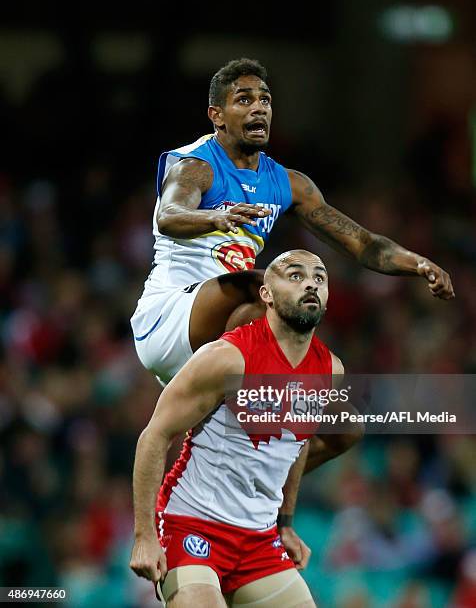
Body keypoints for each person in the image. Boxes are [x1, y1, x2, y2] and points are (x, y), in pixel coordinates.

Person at [130, 57, 454, 390]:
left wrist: (418, 264)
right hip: (169, 318)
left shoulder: (289, 184)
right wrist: (216, 217)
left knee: (341, 422)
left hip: (224, 328)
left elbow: (364, 244)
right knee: (272, 287)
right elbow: (167, 216)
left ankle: (255, 420)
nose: (259, 108)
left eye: (265, 100)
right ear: (217, 116)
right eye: (244, 99)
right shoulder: (196, 167)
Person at [130, 250, 358, 607]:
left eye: (319, 277)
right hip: (191, 525)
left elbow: (292, 445)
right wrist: (144, 535)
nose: (311, 283)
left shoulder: (330, 369)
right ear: (266, 294)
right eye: (295, 275)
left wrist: (285, 521)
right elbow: (154, 436)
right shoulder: (227, 357)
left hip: (258, 539)